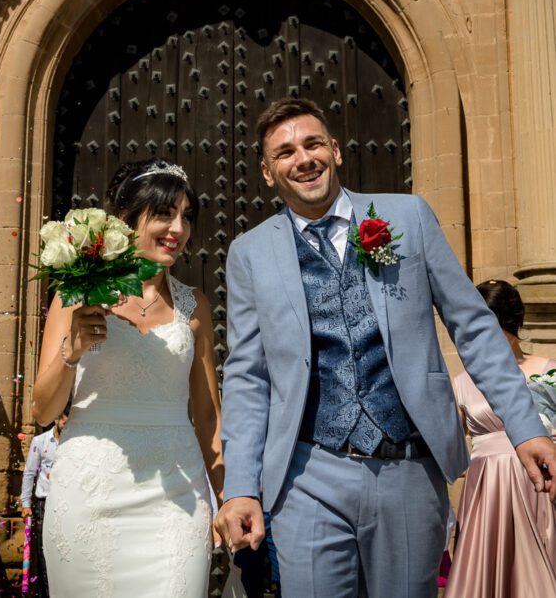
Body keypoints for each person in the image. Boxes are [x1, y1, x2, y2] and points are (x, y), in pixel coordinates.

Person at [215, 97, 556, 598]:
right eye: (285, 153)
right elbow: (248, 376)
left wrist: (524, 427)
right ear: (268, 173)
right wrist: (241, 485)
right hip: (308, 473)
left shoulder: (408, 217)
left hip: (408, 469)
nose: (303, 159)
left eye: (312, 144)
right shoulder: (249, 252)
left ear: (334, 150)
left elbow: (474, 326)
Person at [34, 159, 224, 597]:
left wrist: (227, 498)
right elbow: (43, 411)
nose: (178, 228)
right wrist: (71, 351)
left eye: (186, 216)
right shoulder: (74, 294)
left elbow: (210, 418)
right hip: (89, 493)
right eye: (163, 214)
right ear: (125, 220)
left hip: (177, 498)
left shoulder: (194, 308)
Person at [445, 279, 556, 597]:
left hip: (537, 485)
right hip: (486, 489)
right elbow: (453, 449)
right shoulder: (463, 383)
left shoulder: (549, 371)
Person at [20, 410, 68, 597]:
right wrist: (26, 504)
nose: (67, 424)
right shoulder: (40, 442)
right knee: (43, 553)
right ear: (56, 418)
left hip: (67, 502)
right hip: (44, 503)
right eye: (65, 420)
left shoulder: (75, 443)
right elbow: (29, 473)